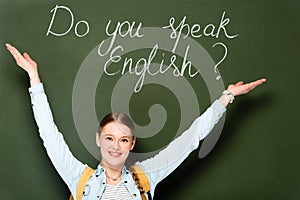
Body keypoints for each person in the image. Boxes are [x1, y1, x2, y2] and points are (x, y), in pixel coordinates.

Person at [6, 43, 266, 200]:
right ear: (98, 139)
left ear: (131, 144)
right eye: (109, 138)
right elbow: (49, 135)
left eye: (123, 139)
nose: (115, 146)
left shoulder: (147, 176)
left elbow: (191, 138)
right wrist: (34, 78)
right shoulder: (78, 178)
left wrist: (227, 96)